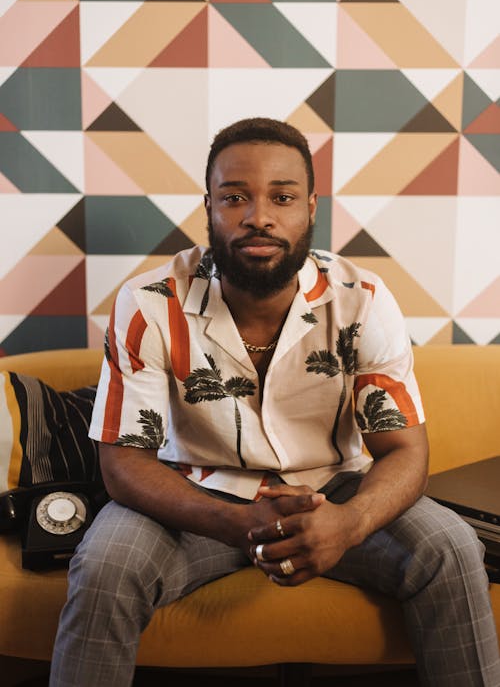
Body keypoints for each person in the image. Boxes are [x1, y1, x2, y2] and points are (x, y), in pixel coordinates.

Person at [50, 118, 500, 687]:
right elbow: (122, 464)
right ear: (208, 208)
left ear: (311, 208)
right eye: (234, 197)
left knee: (453, 548)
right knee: (105, 565)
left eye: (281, 197)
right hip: (193, 494)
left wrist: (348, 524)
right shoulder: (148, 302)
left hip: (333, 493)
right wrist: (238, 523)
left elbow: (405, 449)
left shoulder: (363, 300)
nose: (258, 215)